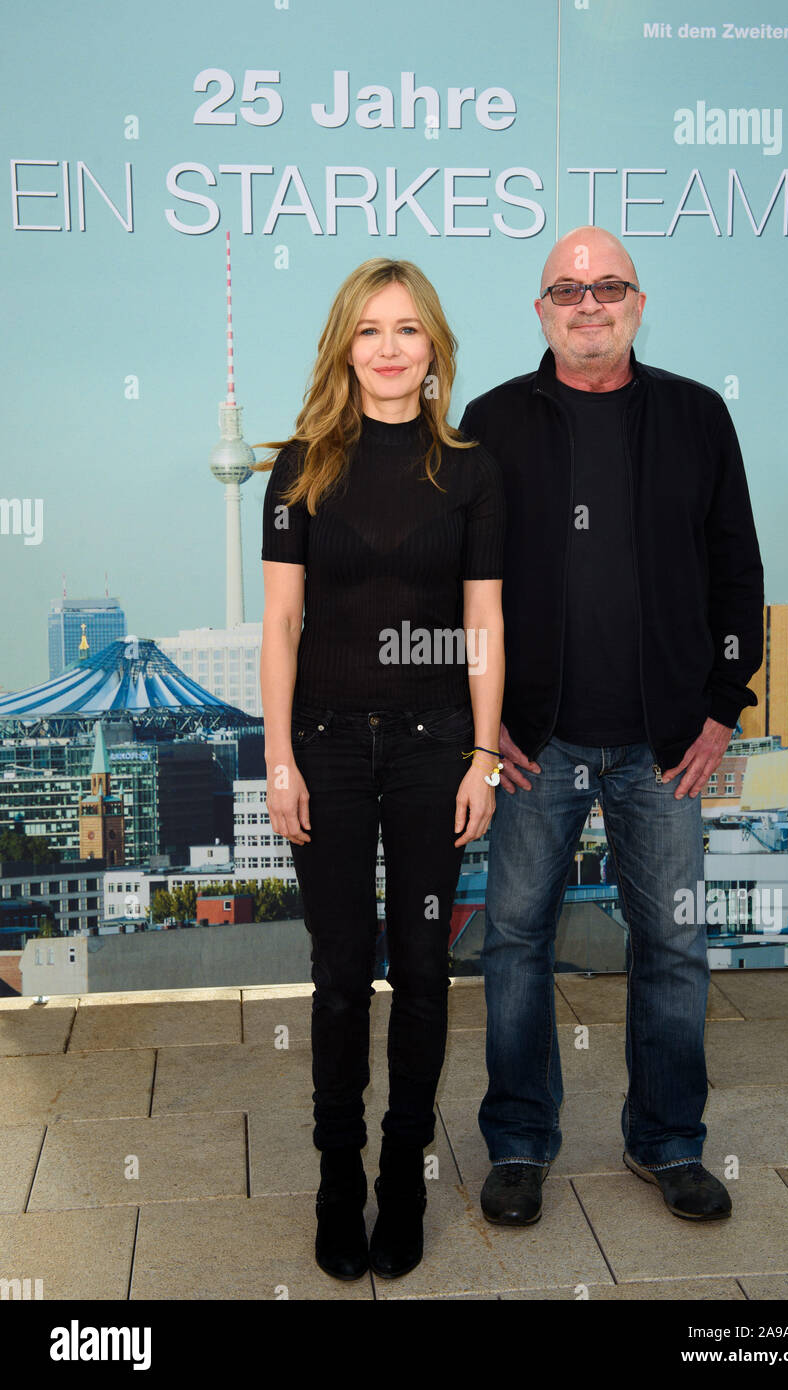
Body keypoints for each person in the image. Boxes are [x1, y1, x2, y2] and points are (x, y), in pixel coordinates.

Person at [459, 225, 764, 1226]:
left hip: (662, 746)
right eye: (566, 290)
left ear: (638, 302)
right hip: (532, 743)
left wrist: (721, 705)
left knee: (671, 945)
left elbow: (736, 570)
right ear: (538, 310)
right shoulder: (492, 420)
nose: (587, 304)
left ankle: (669, 1139)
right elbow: (464, 583)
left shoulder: (694, 415)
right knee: (511, 940)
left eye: (607, 287)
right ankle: (516, 1141)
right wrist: (485, 716)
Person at [258, 258, 505, 1280]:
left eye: (407, 329)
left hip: (432, 745)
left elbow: (483, 623)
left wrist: (483, 755)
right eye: (370, 330)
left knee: (420, 972)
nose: (390, 347)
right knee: (335, 979)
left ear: (432, 347)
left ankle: (401, 1173)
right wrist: (277, 758)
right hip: (323, 743)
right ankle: (335, 1178)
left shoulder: (474, 471)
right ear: (344, 346)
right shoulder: (301, 465)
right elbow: (279, 622)